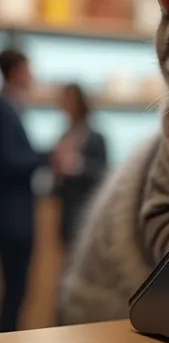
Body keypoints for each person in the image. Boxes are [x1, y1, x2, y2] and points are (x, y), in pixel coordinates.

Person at [0, 48, 49, 332]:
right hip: (11, 217)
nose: (32, 76)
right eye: (28, 70)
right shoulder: (5, 109)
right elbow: (10, 160)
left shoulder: (14, 107)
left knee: (17, 292)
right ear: (17, 71)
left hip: (14, 214)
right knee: (15, 290)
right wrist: (47, 157)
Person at [52, 83, 107, 253]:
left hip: (88, 210)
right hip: (67, 212)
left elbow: (103, 173)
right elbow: (56, 185)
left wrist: (78, 166)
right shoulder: (64, 136)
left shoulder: (95, 137)